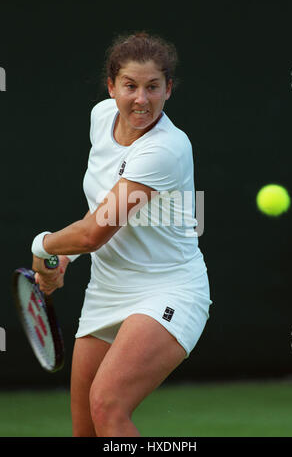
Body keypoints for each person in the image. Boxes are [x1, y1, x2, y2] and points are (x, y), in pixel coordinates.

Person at [31, 32, 212, 437]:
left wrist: (42, 246)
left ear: (169, 89)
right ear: (111, 86)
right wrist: (67, 256)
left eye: (153, 87)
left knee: (107, 404)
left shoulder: (165, 149)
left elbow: (95, 233)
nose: (141, 100)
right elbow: (101, 209)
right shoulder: (101, 118)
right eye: (130, 86)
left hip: (169, 291)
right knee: (85, 431)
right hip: (107, 292)